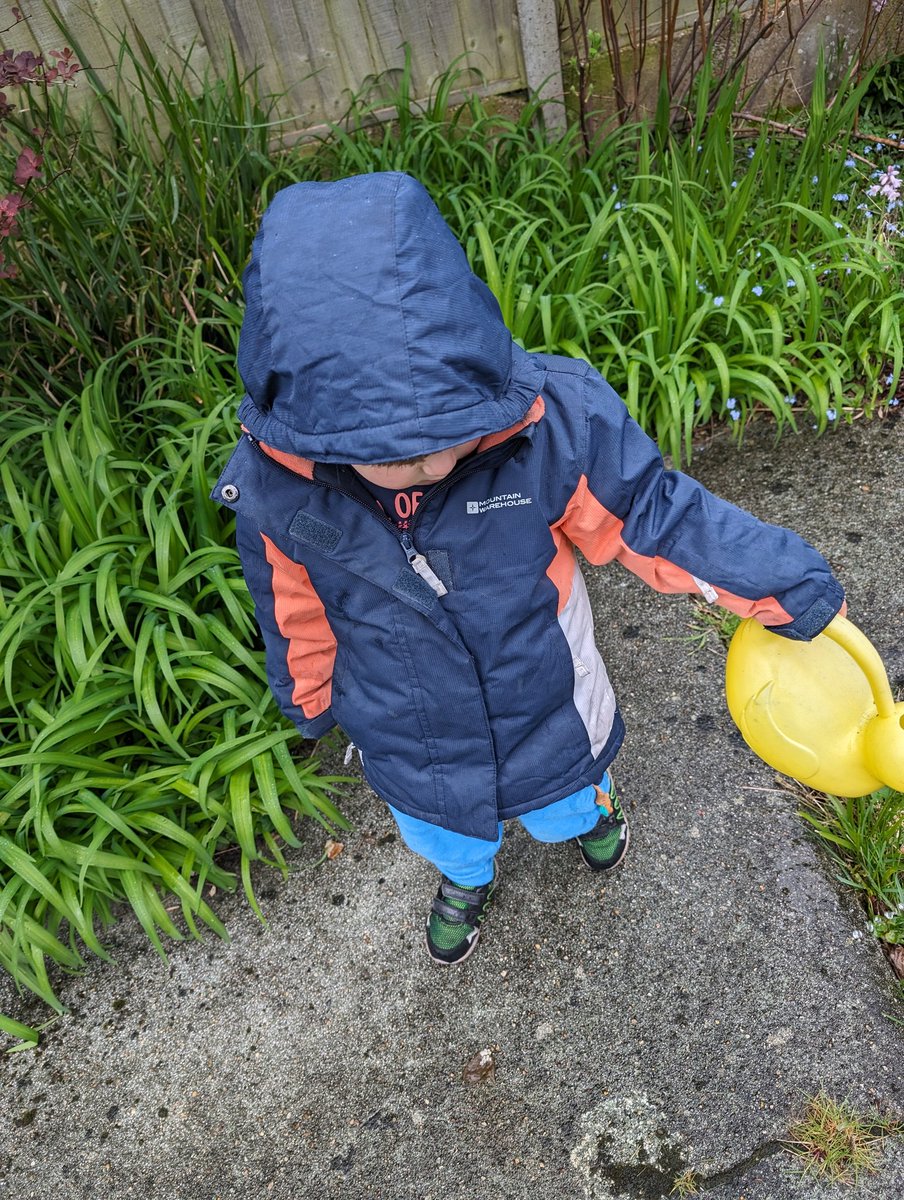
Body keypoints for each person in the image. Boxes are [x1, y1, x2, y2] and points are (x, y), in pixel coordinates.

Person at [212, 171, 845, 965]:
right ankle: (465, 880)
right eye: (392, 454)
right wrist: (308, 695)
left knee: (566, 799)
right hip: (407, 729)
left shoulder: (547, 428)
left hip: (547, 702)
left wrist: (778, 581)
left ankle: (595, 814)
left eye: (444, 429)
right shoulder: (280, 486)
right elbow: (292, 605)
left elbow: (654, 513)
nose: (430, 461)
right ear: (315, 431)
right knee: (443, 833)